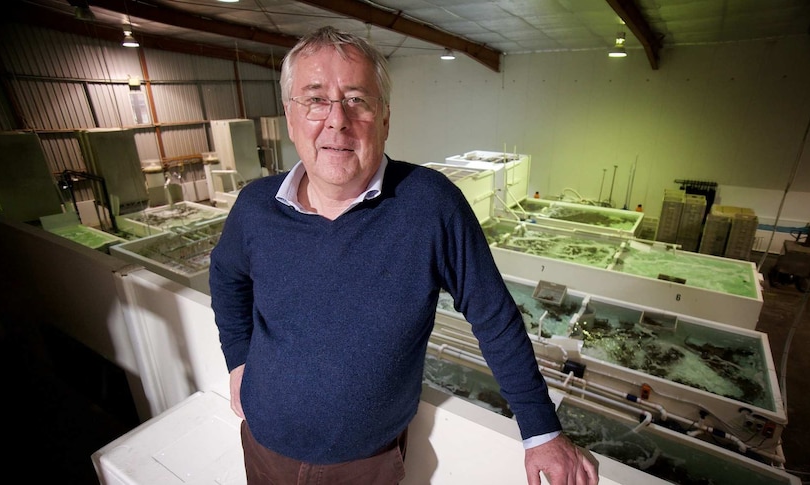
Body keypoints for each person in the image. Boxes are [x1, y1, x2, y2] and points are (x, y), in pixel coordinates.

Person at [209, 25, 599, 485]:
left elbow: (493, 316)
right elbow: (226, 278)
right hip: (263, 445)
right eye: (315, 99)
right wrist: (239, 359)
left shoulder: (429, 204)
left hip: (366, 465)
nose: (337, 120)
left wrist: (541, 431)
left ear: (386, 118)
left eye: (357, 99)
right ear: (290, 118)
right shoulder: (256, 205)